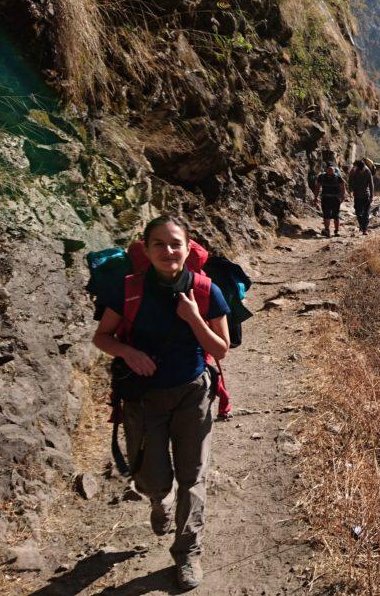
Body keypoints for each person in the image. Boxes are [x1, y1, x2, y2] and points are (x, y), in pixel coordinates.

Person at [91, 216, 231, 591]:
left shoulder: (205, 290)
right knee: (152, 478)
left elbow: (221, 349)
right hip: (143, 398)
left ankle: (187, 551)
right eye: (159, 244)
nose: (168, 251)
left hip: (192, 394)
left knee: (192, 477)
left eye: (175, 244)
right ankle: (158, 500)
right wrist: (128, 352)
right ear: (146, 248)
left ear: (188, 248)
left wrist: (195, 319)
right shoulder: (129, 290)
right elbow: (102, 337)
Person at [312, 155, 347, 237]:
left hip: (327, 198)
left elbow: (317, 187)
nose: (331, 170)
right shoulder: (338, 177)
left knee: (327, 214)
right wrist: (342, 196)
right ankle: (336, 231)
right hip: (334, 198)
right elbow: (343, 187)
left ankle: (328, 230)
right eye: (330, 169)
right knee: (335, 215)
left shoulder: (322, 177)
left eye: (331, 169)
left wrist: (316, 197)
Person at [348, 158, 375, 235]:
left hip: (366, 194)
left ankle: (365, 229)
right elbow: (350, 182)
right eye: (361, 170)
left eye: (363, 169)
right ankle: (362, 226)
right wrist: (350, 191)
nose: (362, 170)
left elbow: (371, 184)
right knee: (358, 212)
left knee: (366, 213)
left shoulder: (368, 172)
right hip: (357, 195)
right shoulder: (353, 172)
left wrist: (372, 196)